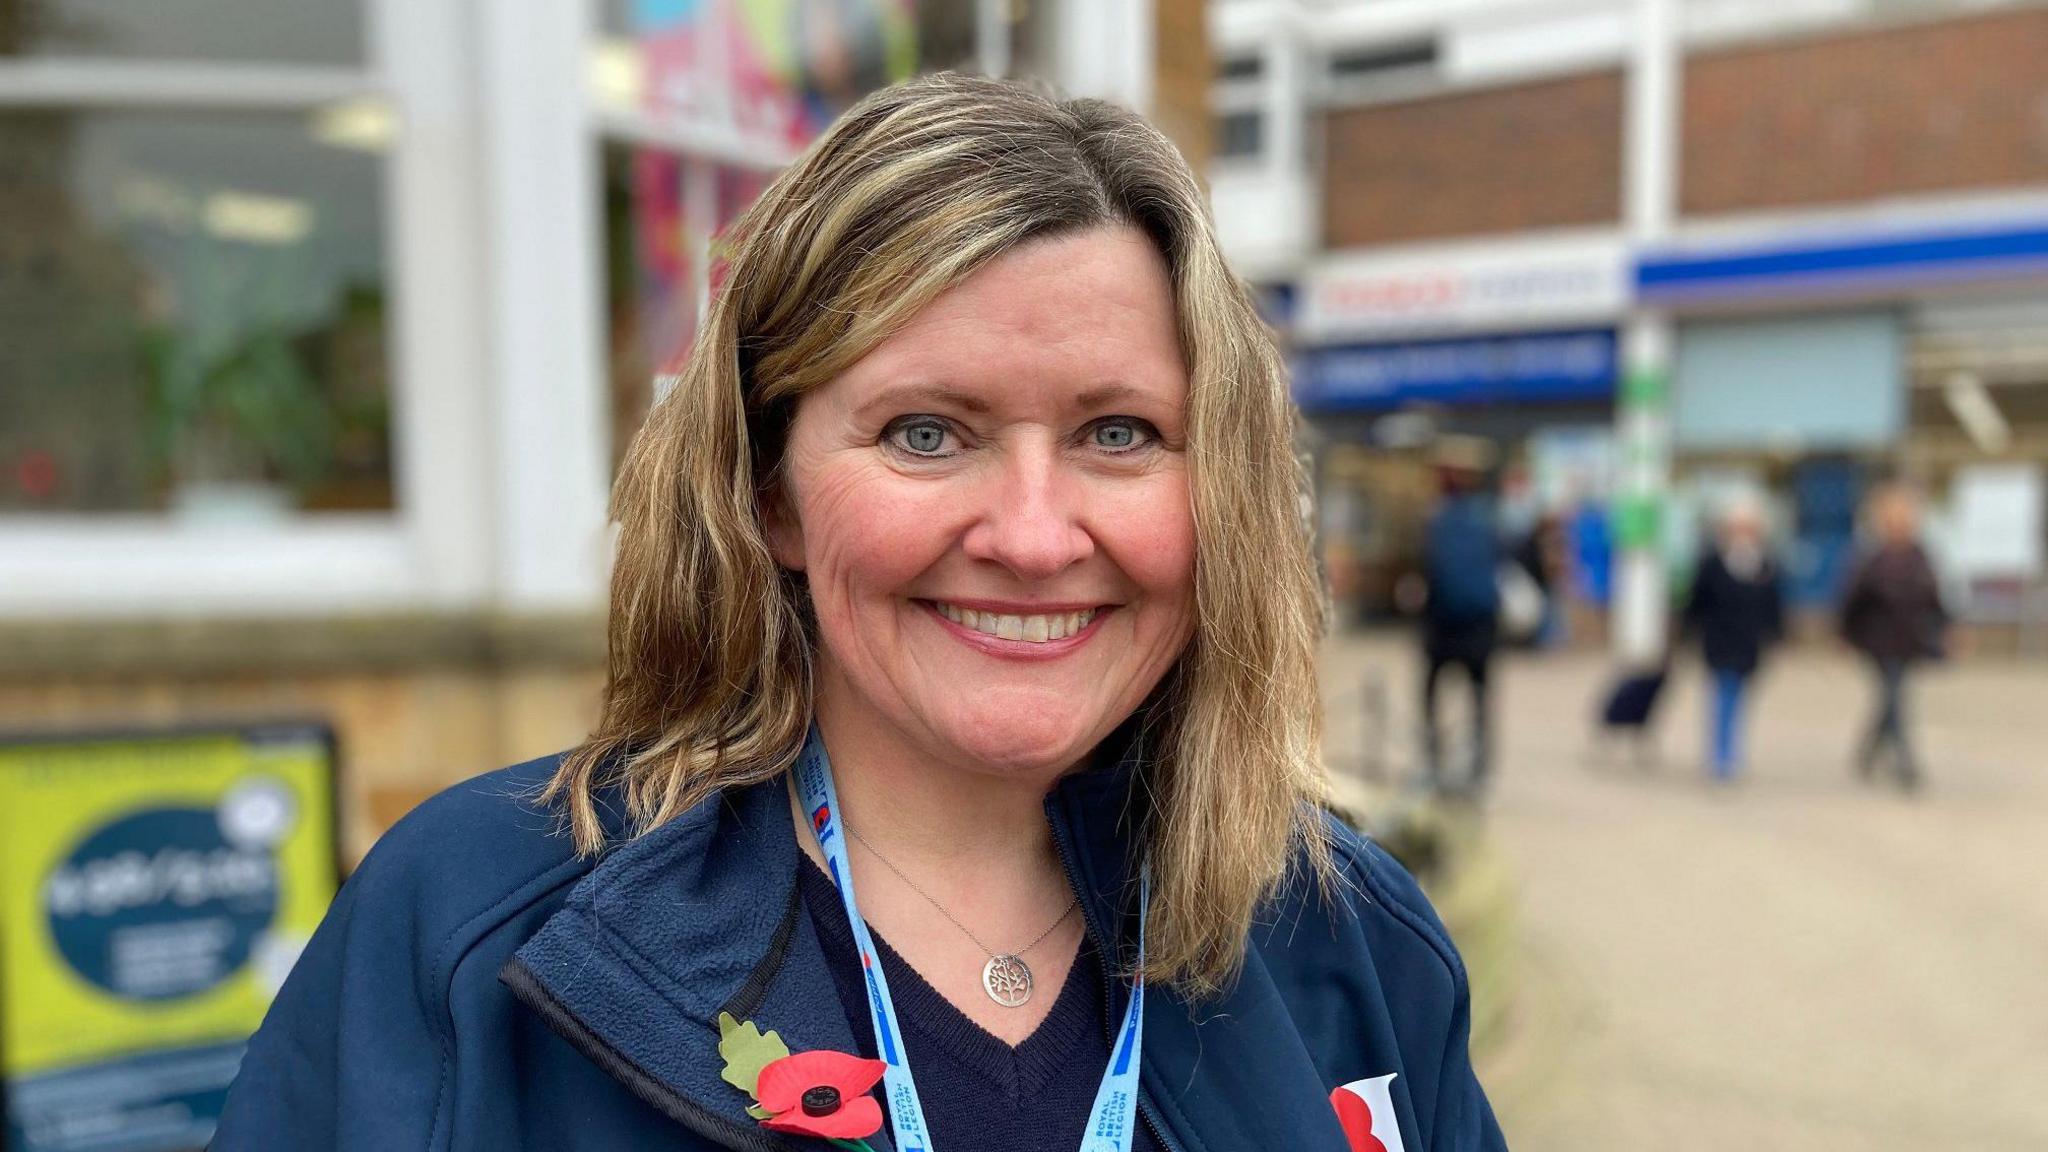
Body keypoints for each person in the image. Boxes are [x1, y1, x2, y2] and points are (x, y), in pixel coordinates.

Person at [213, 75, 1505, 1152]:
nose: (1035, 535)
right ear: (768, 490)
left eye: (1120, 432)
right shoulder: (465, 937)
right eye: (926, 432)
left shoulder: (1355, 954)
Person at [1839, 483, 1949, 791]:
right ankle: (1906, 763)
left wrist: (1949, 626)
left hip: (1910, 640)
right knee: (1895, 698)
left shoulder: (1921, 556)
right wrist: (1845, 635)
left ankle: (1868, 750)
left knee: (1890, 699)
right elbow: (1851, 601)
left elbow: (1935, 597)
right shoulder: (1871, 558)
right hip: (1878, 641)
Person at [1419, 438, 1503, 799]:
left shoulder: (1437, 520)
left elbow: (1431, 573)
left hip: (1444, 626)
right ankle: (1478, 771)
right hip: (1480, 625)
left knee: (1432, 695)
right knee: (1480, 698)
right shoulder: (1487, 519)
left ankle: (1436, 766)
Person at [1681, 498, 1786, 782]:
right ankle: (1721, 757)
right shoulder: (1712, 563)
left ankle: (1730, 753)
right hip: (1719, 641)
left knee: (1740, 698)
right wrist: (1686, 636)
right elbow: (1695, 604)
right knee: (1723, 696)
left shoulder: (1765, 564)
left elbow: (1773, 604)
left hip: (1749, 644)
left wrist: (1775, 636)